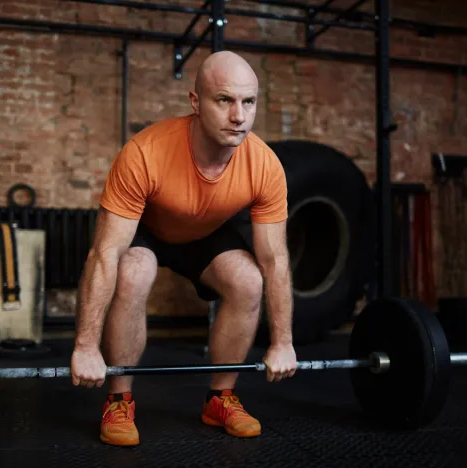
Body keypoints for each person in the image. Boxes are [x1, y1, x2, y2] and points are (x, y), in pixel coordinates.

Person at [71, 50, 297, 447]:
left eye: (249, 102)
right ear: (196, 103)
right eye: (224, 100)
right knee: (132, 269)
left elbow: (274, 260)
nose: (238, 116)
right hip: (148, 229)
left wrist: (283, 342)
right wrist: (85, 347)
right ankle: (119, 399)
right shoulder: (145, 153)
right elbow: (104, 253)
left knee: (248, 279)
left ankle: (220, 398)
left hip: (205, 235)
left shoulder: (264, 165)